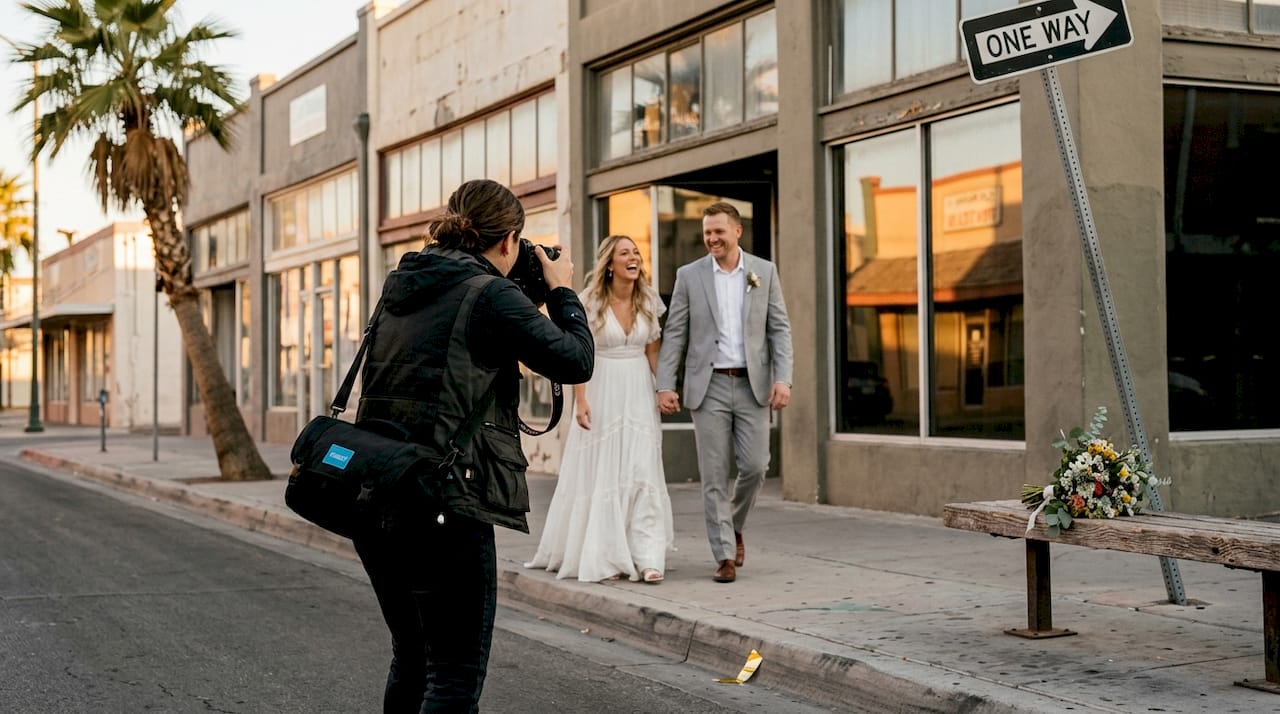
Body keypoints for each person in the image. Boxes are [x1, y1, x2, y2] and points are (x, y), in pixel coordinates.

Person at [352, 179, 594, 712]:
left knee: (412, 655)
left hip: (379, 493)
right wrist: (559, 291)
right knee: (454, 675)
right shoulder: (490, 296)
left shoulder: (403, 284)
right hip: (445, 502)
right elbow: (576, 359)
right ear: (509, 241)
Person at [656, 201, 793, 584]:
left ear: (737, 232)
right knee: (713, 474)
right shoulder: (689, 275)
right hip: (708, 385)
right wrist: (665, 383)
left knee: (755, 466)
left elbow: (779, 329)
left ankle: (733, 525)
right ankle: (724, 555)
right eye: (707, 232)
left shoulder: (763, 272)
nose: (712, 238)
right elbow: (676, 334)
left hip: (752, 384)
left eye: (719, 231)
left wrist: (784, 378)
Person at [525, 235, 674, 584]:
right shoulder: (590, 301)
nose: (633, 257)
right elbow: (581, 352)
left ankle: (647, 556)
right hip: (601, 385)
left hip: (638, 389)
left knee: (641, 469)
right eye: (625, 253)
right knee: (605, 469)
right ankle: (605, 553)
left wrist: (662, 389)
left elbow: (654, 353)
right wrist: (581, 400)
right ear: (610, 263)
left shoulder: (649, 302)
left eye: (636, 252)